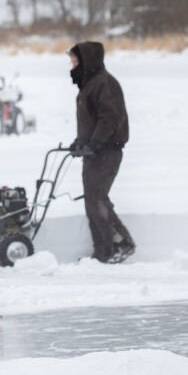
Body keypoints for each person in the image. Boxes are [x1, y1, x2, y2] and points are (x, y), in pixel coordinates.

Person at [67, 41, 136, 264]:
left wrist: (95, 143)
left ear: (88, 61)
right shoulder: (90, 84)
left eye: (76, 61)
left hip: (107, 152)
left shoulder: (105, 84)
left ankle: (121, 243)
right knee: (92, 201)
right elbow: (91, 120)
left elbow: (111, 118)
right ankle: (103, 251)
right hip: (94, 152)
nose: (72, 66)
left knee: (97, 199)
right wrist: (80, 142)